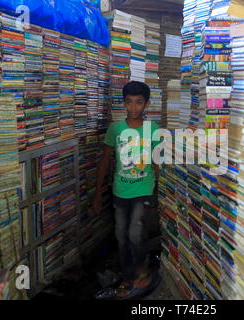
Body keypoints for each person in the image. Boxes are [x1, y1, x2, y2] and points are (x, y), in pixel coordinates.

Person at [92, 81, 160, 299]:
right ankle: (129, 277)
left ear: (147, 104)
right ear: (124, 104)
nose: (133, 108)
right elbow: (104, 161)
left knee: (135, 232)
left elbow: (157, 163)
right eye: (129, 103)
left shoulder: (153, 129)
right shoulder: (116, 128)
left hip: (144, 189)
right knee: (121, 235)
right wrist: (96, 193)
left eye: (139, 103)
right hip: (120, 191)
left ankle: (142, 274)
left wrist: (161, 192)